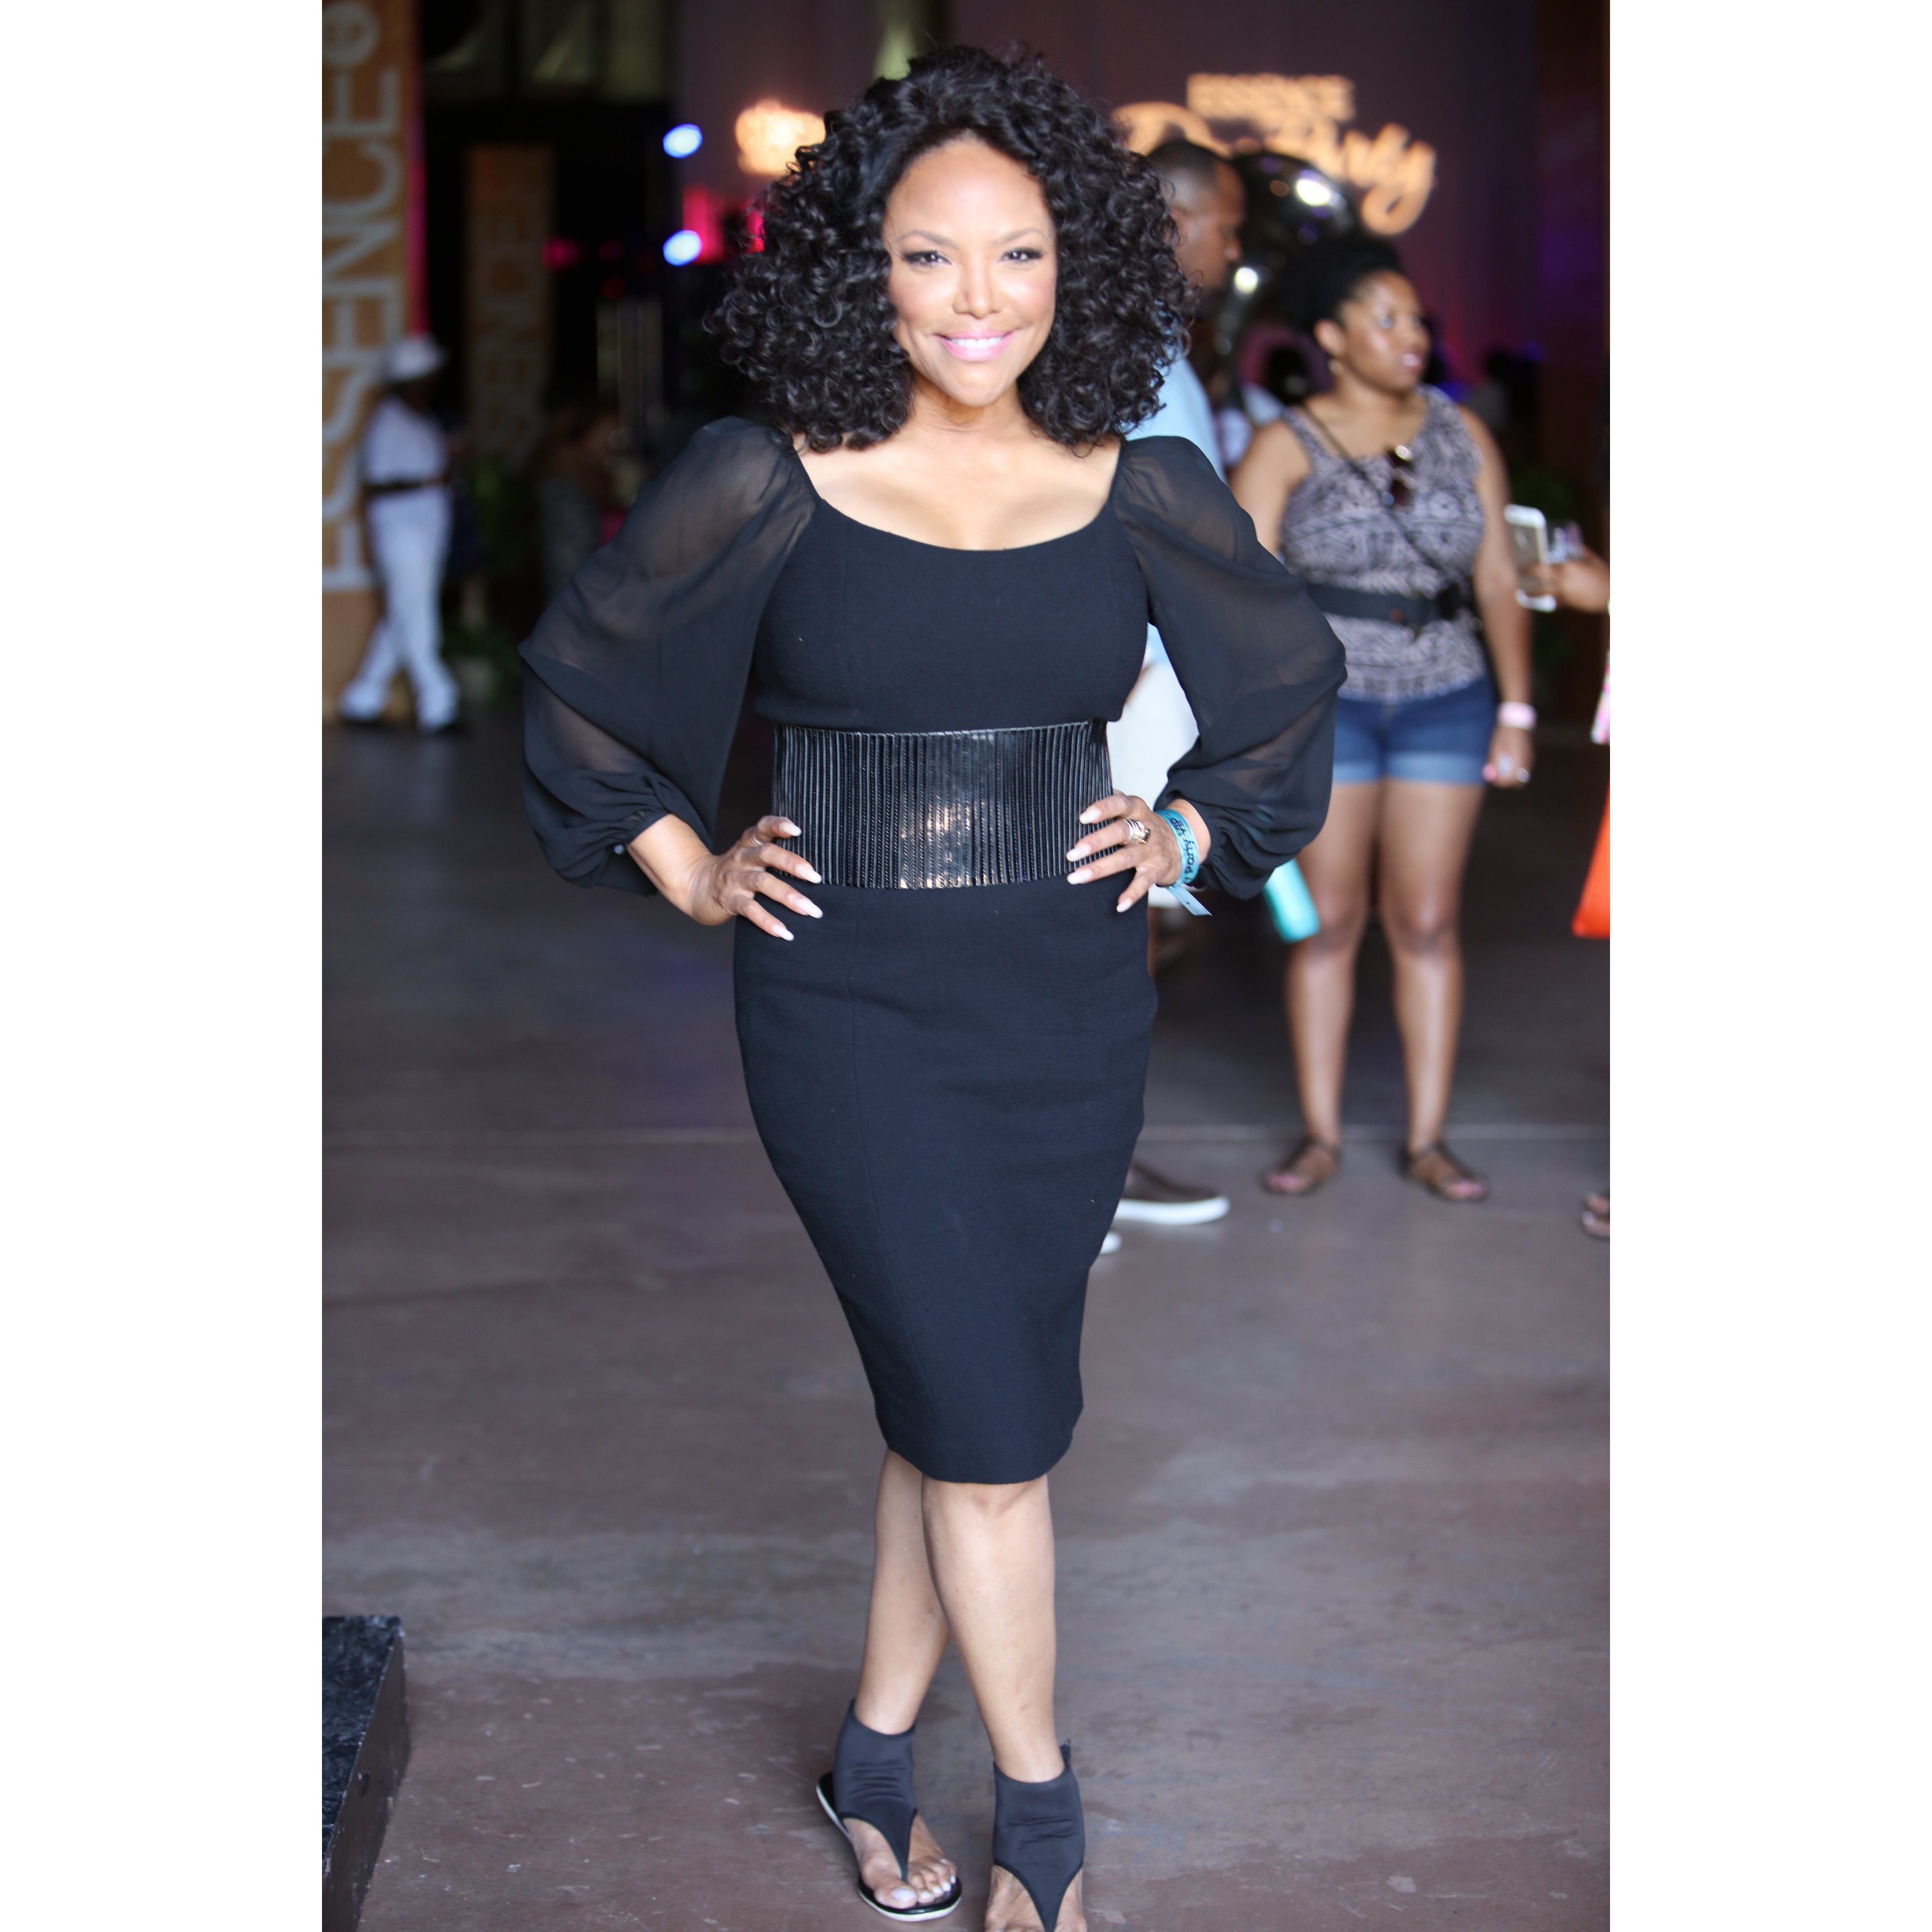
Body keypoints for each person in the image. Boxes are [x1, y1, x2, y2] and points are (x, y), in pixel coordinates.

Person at [519, 47, 1342, 1931]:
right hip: (849, 1011)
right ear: (860, 270)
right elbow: (582, 685)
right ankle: (1047, 1822)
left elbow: (1287, 683)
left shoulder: (1139, 484)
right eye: (929, 256)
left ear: (1079, 267)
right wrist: (690, 864)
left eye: (1020, 254)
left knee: (966, 1403)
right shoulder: (767, 478)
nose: (980, 300)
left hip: (1066, 1002)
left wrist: (1188, 829)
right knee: (988, 1429)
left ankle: (873, 1760)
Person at [1232, 241, 1533, 1203]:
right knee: (1330, 924)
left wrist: (1518, 707)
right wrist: (1254, 726)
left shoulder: (1462, 432)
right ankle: (1320, 1136)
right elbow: (1236, 591)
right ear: (1331, 336)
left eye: (1417, 320)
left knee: (1428, 921)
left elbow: (1498, 576)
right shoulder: (1285, 444)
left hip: (1450, 696)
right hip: (1331, 708)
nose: (1412, 337)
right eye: (1387, 318)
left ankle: (1428, 1140)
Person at [1106, 138, 1249, 1228]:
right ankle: (1092, 1172)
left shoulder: (1152, 340)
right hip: (1136, 673)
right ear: (1177, 220)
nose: (1233, 249)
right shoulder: (1122, 344)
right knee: (1114, 922)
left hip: (1152, 667)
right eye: (1227, 226)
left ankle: (1098, 1161)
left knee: (1128, 919)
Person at [338, 335, 462, 734]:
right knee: (420, 619)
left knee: (401, 618)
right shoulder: (387, 424)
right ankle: (439, 705)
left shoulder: (419, 419)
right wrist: (429, 481)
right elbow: (376, 484)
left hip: (425, 534)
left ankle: (362, 699)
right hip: (402, 537)